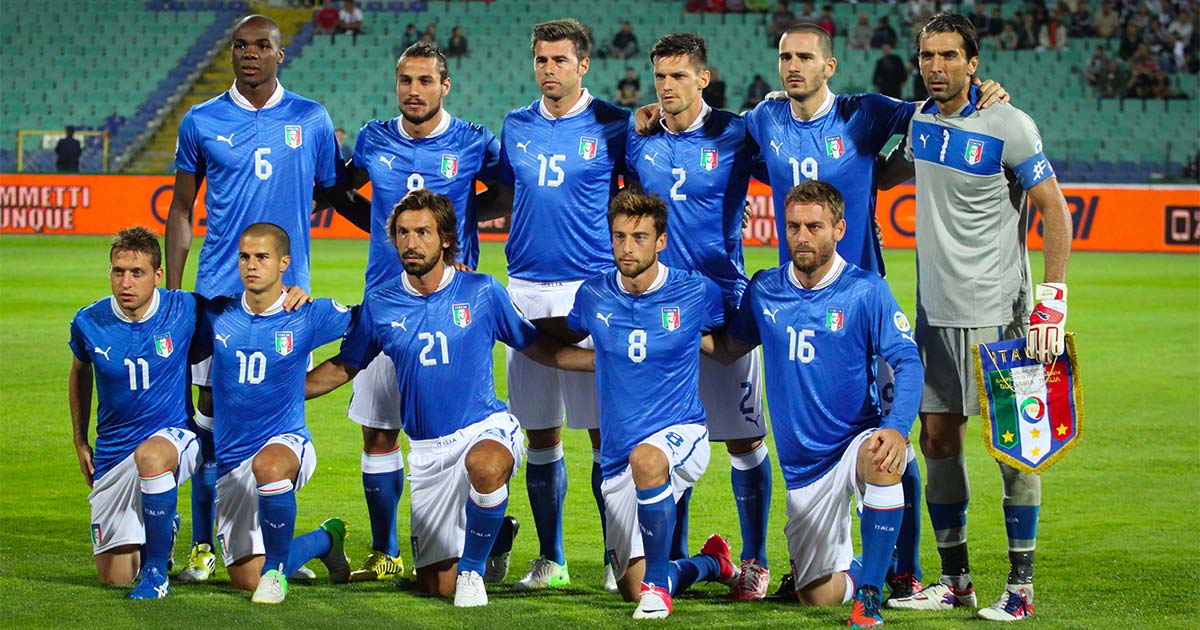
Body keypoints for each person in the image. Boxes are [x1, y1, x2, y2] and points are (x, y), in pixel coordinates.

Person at [740, 22, 1005, 600]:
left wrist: (984, 93)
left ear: (828, 66)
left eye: (805, 56)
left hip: (863, 297)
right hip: (802, 297)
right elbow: (725, 150)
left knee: (891, 436)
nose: (793, 66)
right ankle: (834, 560)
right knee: (828, 428)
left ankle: (904, 570)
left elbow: (938, 108)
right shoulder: (765, 118)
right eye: (785, 56)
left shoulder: (865, 113)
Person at [303, 189, 592, 607]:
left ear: (445, 240)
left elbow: (538, 347)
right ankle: (496, 537)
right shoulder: (381, 302)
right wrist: (279, 391)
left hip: (484, 429)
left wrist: (599, 362)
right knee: (436, 587)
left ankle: (474, 572)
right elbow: (344, 366)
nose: (411, 242)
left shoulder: (481, 291)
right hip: (427, 453)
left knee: (486, 467)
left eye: (422, 232)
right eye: (402, 232)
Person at [882, 14, 1072, 622]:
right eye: (927, 56)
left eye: (948, 56)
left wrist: (1053, 297)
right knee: (937, 441)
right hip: (934, 315)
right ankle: (955, 579)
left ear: (973, 63)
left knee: (1014, 449)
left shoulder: (1009, 124)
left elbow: (1056, 211)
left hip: (1001, 313)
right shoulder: (919, 124)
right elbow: (883, 173)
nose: (936, 66)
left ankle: (1021, 588)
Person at [164, 14, 341, 585]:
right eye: (240, 45)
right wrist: (174, 290)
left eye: (262, 45)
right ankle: (200, 547)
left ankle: (277, 543)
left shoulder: (311, 119)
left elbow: (333, 192)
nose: (250, 54)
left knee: (272, 418)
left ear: (280, 54)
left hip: (286, 301)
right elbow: (182, 209)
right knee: (210, 420)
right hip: (219, 297)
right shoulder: (201, 120)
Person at [704, 180, 923, 628]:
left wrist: (898, 427)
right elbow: (730, 348)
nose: (802, 236)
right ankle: (872, 564)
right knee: (815, 595)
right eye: (793, 226)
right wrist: (684, 331)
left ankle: (869, 597)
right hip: (805, 468)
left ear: (839, 229)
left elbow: (907, 360)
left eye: (814, 226)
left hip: (853, 440)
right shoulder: (765, 290)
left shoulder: (865, 290)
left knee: (882, 457)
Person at [337, 41, 506, 583]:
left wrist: (459, 225)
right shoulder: (373, 138)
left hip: (454, 308)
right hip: (385, 304)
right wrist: (384, 225)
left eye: (426, 81)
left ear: (445, 84)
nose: (415, 91)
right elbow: (342, 192)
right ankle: (386, 549)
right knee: (377, 429)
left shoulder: (474, 142)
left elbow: (503, 196)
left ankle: (482, 527)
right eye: (406, 81)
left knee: (458, 433)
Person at [624, 33, 771, 602]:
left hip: (722, 308)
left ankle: (755, 560)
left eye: (679, 76)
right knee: (666, 438)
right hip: (658, 312)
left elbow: (792, 169)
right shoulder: (638, 141)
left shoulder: (737, 134)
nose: (666, 87)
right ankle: (676, 558)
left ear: (703, 79)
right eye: (660, 76)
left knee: (744, 440)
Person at [559, 191, 742, 619]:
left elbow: (732, 334)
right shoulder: (593, 295)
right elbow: (568, 339)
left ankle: (659, 591)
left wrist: (710, 345)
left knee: (648, 459)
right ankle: (713, 563)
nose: (627, 247)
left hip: (684, 433)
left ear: (660, 241)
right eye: (619, 236)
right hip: (620, 454)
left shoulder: (697, 292)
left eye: (639, 237)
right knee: (630, 585)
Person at [498, 18, 631, 592]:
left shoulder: (614, 125)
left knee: (604, 432)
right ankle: (550, 558)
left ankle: (616, 555)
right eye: (541, 60)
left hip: (590, 290)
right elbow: (505, 194)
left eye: (560, 60)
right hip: (524, 289)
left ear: (583, 65)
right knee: (540, 434)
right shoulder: (515, 125)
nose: (549, 70)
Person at [191, 223, 355, 604]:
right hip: (233, 460)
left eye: (262, 257)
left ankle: (277, 573)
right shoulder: (219, 315)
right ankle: (326, 538)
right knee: (245, 578)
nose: (251, 265)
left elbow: (368, 325)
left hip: (287, 444)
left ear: (283, 262)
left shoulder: (306, 313)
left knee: (269, 466)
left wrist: (329, 376)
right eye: (245, 257)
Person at [68, 227, 204, 598]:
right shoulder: (88, 322)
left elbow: (243, 311)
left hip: (174, 438)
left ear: (157, 276)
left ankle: (157, 573)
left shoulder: (185, 309)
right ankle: (162, 522)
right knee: (114, 576)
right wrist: (80, 439)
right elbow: (80, 370)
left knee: (152, 455)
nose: (126, 282)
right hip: (113, 453)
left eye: (137, 272)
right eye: (118, 271)